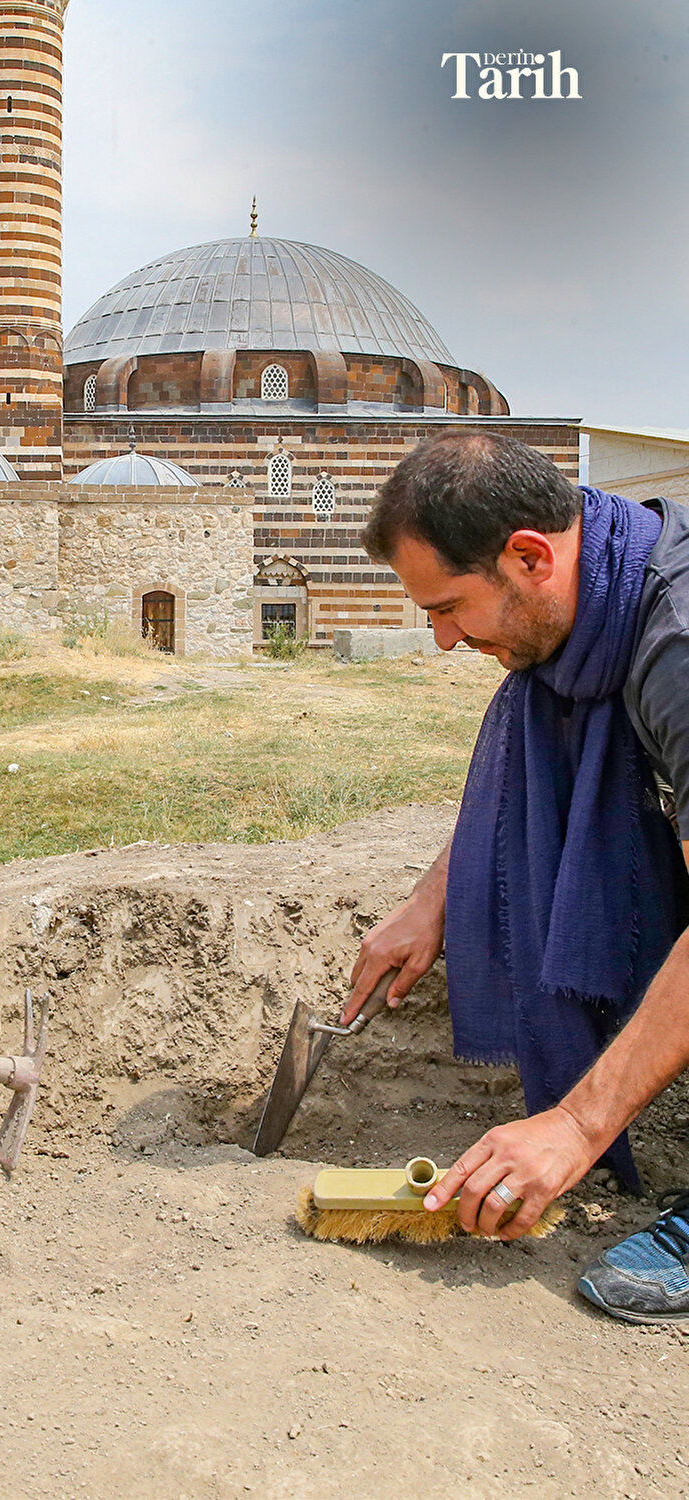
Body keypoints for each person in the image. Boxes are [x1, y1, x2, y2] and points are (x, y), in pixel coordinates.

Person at [349, 427, 689, 1325]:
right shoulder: (597, 607)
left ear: (530, 556)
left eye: (451, 608)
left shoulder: (677, 650)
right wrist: (433, 902)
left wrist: (575, 1127)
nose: (443, 641)